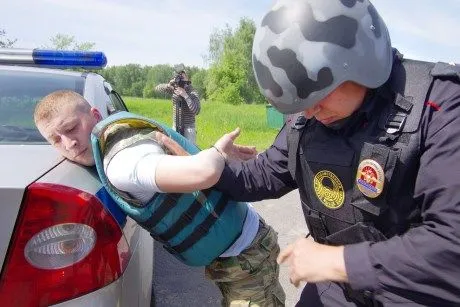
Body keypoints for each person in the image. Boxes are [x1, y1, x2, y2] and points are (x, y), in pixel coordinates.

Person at [214, 0, 460, 306]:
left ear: (361, 61)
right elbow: (262, 174)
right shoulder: (308, 120)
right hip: (337, 292)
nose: (310, 110)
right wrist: (208, 164)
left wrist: (338, 262)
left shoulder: (440, 108)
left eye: (318, 93)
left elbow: (452, 246)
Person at [33, 90, 285, 307]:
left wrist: (217, 153)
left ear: (96, 116)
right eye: (56, 140)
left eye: (71, 128)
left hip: (247, 253)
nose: (69, 144)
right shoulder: (113, 141)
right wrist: (212, 156)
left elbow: (204, 173)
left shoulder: (121, 163)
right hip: (232, 254)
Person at [155, 64, 200, 143]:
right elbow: (157, 88)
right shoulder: (174, 89)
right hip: (175, 126)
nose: (181, 79)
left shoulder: (192, 91)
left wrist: (185, 95)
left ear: (188, 78)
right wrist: (168, 85)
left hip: (188, 128)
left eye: (183, 76)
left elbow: (196, 110)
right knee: (174, 151)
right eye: (179, 77)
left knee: (189, 153)